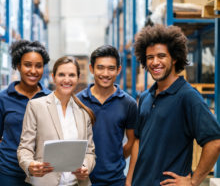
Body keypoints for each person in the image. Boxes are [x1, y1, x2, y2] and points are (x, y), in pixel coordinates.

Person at [125, 25, 220, 186]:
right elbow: (138, 142)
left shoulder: (187, 96)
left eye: (161, 56)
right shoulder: (145, 97)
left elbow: (215, 142)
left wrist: (193, 181)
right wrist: (129, 181)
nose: (155, 62)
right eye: (150, 57)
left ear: (174, 58)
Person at [17, 56, 96, 186]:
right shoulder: (36, 106)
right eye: (61, 75)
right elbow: (25, 148)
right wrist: (30, 165)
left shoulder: (83, 113)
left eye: (71, 75)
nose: (66, 80)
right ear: (53, 77)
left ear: (78, 78)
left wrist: (85, 167)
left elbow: (89, 152)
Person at [0, 40, 51, 186]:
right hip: (9, 172)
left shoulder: (51, 99)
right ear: (18, 66)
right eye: (28, 65)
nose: (33, 71)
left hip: (43, 173)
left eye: (38, 66)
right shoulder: (1, 100)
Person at [77, 45, 137, 186]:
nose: (105, 73)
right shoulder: (79, 102)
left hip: (116, 181)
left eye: (111, 68)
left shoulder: (128, 104)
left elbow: (132, 142)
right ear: (92, 69)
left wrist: (115, 159)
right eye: (100, 67)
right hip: (83, 180)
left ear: (118, 70)